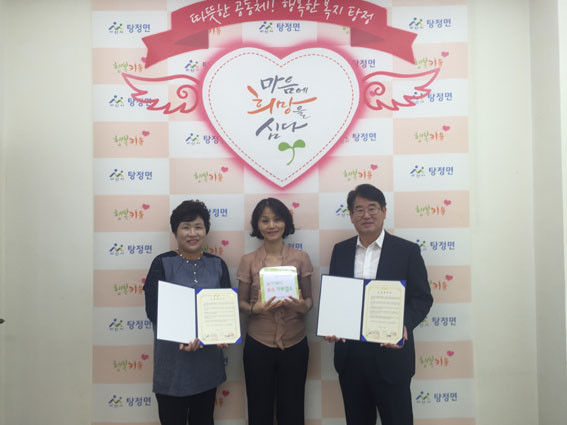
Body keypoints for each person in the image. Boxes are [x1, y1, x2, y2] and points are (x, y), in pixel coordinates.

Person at [325, 184, 433, 425]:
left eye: (372, 208)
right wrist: (333, 324)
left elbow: (422, 298)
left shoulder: (407, 251)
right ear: (351, 215)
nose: (366, 215)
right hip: (351, 357)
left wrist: (404, 325)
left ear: (384, 211)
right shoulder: (341, 251)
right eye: (359, 209)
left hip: (391, 356)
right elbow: (337, 296)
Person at [143, 200, 231, 425]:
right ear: (175, 231)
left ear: (206, 231)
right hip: (173, 366)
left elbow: (225, 309)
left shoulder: (218, 264)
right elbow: (153, 311)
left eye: (198, 227)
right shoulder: (162, 263)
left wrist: (224, 333)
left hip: (207, 365)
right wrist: (183, 336)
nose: (193, 233)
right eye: (186, 227)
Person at [237, 198, 313, 425]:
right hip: (258, 344)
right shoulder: (248, 261)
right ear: (257, 225)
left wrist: (301, 306)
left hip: (295, 343)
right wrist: (255, 308)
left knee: (293, 411)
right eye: (265, 220)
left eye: (277, 219)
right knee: (259, 411)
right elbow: (240, 304)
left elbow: (309, 300)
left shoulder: (301, 258)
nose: (271, 225)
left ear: (286, 223)